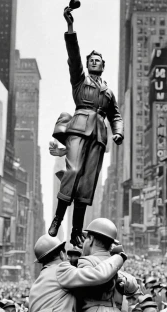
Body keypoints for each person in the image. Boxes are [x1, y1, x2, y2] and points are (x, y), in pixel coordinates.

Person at [48, 6, 123, 247]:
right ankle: (58, 219)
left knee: (88, 182)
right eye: (91, 59)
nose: (93, 61)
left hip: (99, 136)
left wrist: (118, 131)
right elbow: (74, 55)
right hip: (79, 129)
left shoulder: (108, 92)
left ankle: (76, 231)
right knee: (72, 171)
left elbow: (116, 115)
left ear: (103, 65)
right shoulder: (80, 81)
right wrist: (70, 28)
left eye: (97, 60)